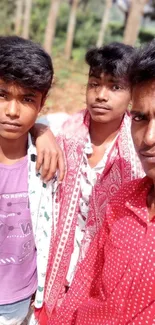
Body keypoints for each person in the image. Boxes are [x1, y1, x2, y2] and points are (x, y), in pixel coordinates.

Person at [46, 39, 155, 325]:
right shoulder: (61, 132)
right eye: (95, 84)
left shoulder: (138, 157)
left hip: (103, 273)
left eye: (115, 87)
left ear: (132, 93)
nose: (101, 95)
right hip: (55, 266)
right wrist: (40, 132)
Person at [0, 35, 60, 325]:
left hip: (19, 300)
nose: (12, 111)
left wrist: (42, 131)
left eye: (26, 99)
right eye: (1, 94)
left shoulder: (48, 162)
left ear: (42, 102)